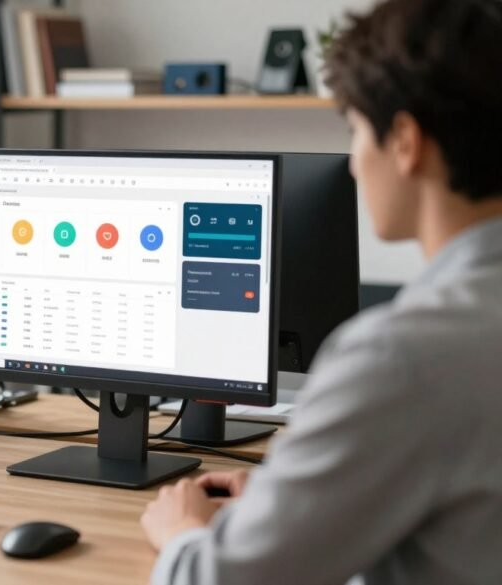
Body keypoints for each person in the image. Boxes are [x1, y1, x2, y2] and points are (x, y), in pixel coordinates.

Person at [140, 0, 502, 583]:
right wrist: (305, 501)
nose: (354, 164)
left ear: (405, 141)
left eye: (355, 130)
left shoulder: (400, 358)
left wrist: (182, 530)